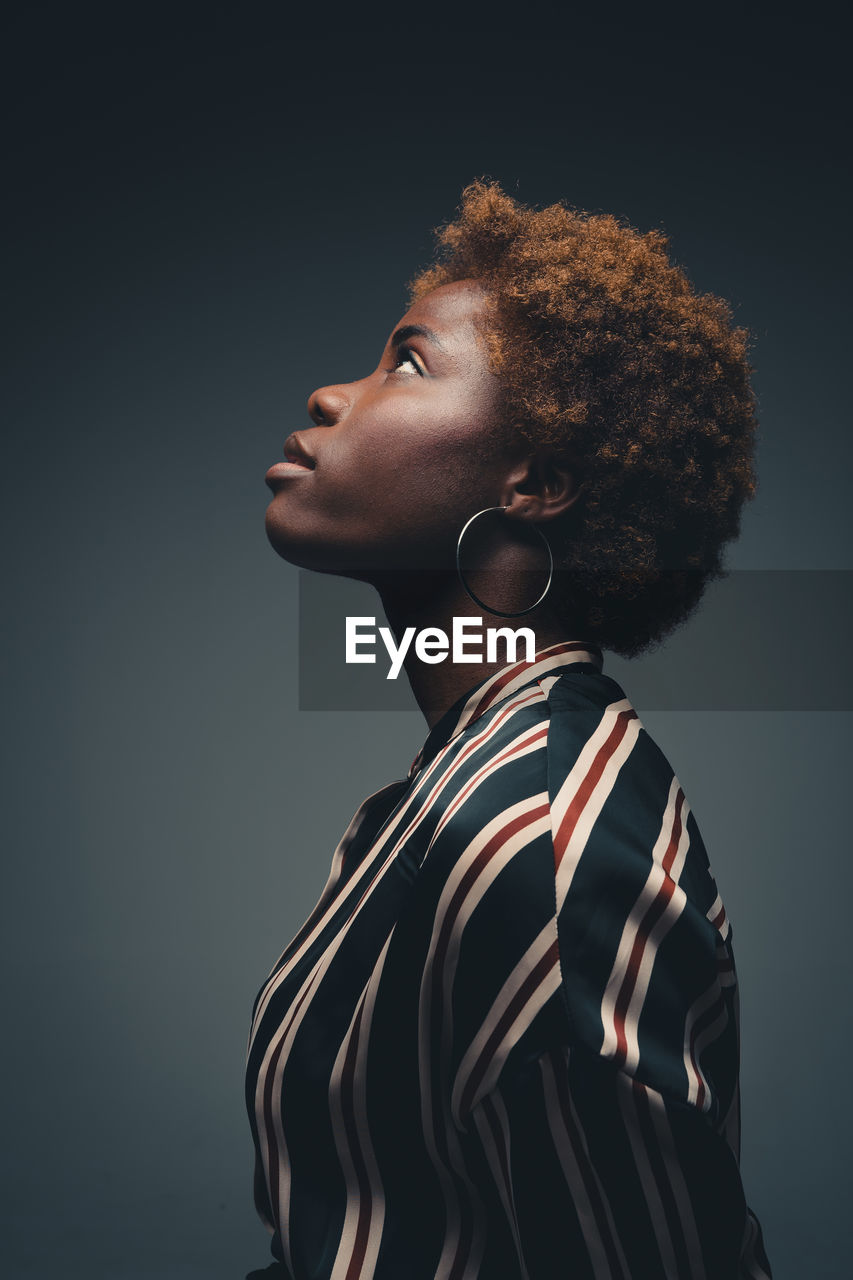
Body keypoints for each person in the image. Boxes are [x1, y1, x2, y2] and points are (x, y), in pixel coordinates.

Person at [246, 179, 773, 1279]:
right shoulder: (452, 792)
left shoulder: (537, 841)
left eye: (407, 361)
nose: (331, 394)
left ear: (533, 480)